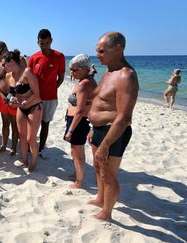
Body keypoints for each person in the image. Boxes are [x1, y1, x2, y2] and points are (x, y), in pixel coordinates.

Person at [87, 32, 139, 221]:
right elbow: (99, 101)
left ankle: (107, 212)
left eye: (101, 51)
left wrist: (106, 143)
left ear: (118, 49)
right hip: (99, 129)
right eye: (97, 51)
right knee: (97, 166)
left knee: (108, 174)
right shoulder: (109, 72)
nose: (97, 54)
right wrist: (93, 128)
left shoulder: (127, 76)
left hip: (114, 132)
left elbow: (124, 117)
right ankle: (101, 198)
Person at [3, 50, 42, 172]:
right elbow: (10, 93)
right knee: (22, 136)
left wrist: (25, 102)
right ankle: (24, 159)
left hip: (34, 107)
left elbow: (36, 94)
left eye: (5, 64)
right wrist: (9, 101)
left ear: (12, 62)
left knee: (31, 138)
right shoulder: (9, 76)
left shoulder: (27, 72)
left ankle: (34, 160)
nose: (3, 67)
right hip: (21, 108)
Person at [28, 29, 65, 156]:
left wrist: (52, 89)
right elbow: (28, 78)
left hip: (50, 98)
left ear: (51, 41)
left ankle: (41, 148)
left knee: (45, 123)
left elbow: (61, 78)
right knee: (32, 123)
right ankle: (30, 146)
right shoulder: (33, 58)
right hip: (34, 97)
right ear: (37, 42)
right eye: (42, 43)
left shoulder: (59, 56)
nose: (44, 46)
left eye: (47, 43)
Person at [64, 54, 97, 188]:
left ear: (84, 69)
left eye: (74, 69)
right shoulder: (88, 80)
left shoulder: (84, 84)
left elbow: (80, 110)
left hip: (78, 122)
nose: (71, 72)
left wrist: (70, 130)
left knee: (77, 152)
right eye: (70, 69)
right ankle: (77, 174)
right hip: (78, 121)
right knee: (75, 151)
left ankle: (79, 181)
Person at [0, 41, 26, 155]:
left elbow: (25, 78)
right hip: (2, 98)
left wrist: (15, 95)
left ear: (5, 49)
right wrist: (2, 95)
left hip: (15, 97)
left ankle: (14, 147)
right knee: (5, 123)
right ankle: (3, 145)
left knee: (14, 124)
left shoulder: (19, 60)